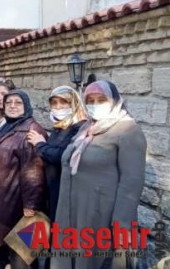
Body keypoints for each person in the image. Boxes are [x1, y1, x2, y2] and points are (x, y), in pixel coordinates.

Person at [52, 81, 146, 269]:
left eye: (101, 100)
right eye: (90, 100)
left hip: (100, 216)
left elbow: (132, 182)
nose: (95, 105)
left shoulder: (127, 130)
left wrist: (121, 226)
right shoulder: (86, 128)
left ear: (114, 101)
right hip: (72, 212)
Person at [0, 90, 46, 269]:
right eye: (9, 103)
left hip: (15, 202)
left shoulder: (30, 130)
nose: (13, 106)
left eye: (18, 102)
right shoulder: (8, 126)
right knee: (1, 250)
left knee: (18, 254)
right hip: (1, 198)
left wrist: (31, 204)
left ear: (26, 106)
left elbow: (33, 171)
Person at [26, 86, 87, 222]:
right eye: (54, 103)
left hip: (66, 189)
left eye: (64, 102)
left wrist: (40, 144)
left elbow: (63, 155)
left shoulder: (79, 127)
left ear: (74, 103)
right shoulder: (60, 126)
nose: (58, 107)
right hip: (53, 188)